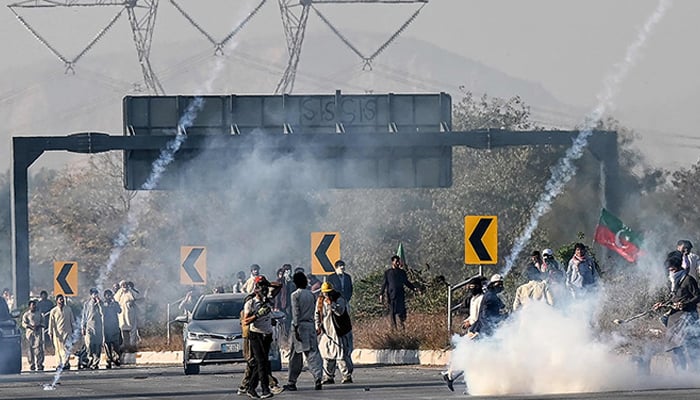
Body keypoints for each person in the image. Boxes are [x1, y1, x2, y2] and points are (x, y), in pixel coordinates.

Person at [653, 254, 700, 371]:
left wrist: (685, 304)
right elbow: (672, 298)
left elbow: (698, 296)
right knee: (674, 347)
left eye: (673, 269)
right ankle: (680, 375)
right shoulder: (672, 281)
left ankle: (695, 375)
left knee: (690, 347)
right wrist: (662, 304)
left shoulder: (688, 280)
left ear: (679, 267)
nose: (671, 271)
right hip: (674, 319)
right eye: (669, 269)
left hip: (687, 316)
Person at [241, 275, 281, 399]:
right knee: (261, 362)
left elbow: (279, 286)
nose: (264, 290)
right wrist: (257, 315)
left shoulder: (267, 299)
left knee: (262, 362)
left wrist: (267, 283)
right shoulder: (251, 302)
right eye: (261, 287)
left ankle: (251, 388)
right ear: (256, 289)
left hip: (267, 334)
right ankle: (265, 389)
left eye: (265, 287)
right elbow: (245, 321)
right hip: (255, 334)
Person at [283, 272, 323, 391]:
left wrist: (295, 329)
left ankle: (291, 381)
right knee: (313, 354)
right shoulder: (310, 294)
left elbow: (295, 313)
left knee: (295, 356)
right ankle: (318, 377)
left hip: (300, 327)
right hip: (310, 326)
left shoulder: (295, 295)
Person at [316, 282, 354, 385]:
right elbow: (317, 314)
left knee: (340, 355)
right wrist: (317, 326)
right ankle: (328, 376)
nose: (326, 295)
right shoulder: (320, 301)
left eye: (328, 293)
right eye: (325, 293)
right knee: (326, 354)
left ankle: (346, 376)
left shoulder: (339, 299)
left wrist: (332, 304)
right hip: (327, 331)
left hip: (338, 331)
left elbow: (340, 312)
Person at [379, 255, 420, 329]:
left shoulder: (402, 272)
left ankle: (402, 326)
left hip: (400, 295)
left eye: (398, 261)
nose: (398, 263)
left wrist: (414, 288)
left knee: (402, 312)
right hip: (391, 296)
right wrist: (381, 294)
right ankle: (394, 329)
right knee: (392, 313)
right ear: (392, 262)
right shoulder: (388, 273)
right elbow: (384, 284)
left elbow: (406, 282)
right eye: (396, 261)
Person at [48, 294, 75, 370]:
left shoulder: (68, 309)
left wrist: (74, 330)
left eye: (62, 299)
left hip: (67, 332)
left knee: (67, 348)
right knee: (58, 349)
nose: (62, 301)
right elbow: (51, 323)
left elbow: (72, 320)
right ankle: (59, 364)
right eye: (60, 299)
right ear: (57, 301)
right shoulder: (53, 311)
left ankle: (66, 363)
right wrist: (50, 332)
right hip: (57, 334)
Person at [115, 279, 142, 353]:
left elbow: (136, 297)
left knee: (133, 330)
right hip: (122, 315)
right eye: (123, 285)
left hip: (130, 313)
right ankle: (126, 346)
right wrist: (121, 291)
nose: (124, 286)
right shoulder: (119, 293)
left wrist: (131, 289)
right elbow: (115, 299)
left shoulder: (131, 292)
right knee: (123, 330)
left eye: (125, 284)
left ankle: (132, 345)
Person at [81, 288, 104, 369]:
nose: (95, 295)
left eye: (96, 293)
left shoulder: (100, 303)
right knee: (89, 344)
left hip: (98, 326)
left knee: (98, 345)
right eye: (93, 294)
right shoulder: (87, 304)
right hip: (89, 325)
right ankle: (90, 358)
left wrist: (99, 303)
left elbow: (103, 313)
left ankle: (95, 363)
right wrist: (82, 327)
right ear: (91, 295)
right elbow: (84, 316)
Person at [21, 300, 45, 371]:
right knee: (30, 349)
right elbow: (23, 323)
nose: (34, 307)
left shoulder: (39, 314)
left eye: (34, 305)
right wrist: (30, 326)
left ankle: (39, 364)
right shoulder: (26, 314)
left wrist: (38, 326)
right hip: (29, 334)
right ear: (29, 306)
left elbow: (43, 322)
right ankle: (32, 364)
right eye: (32, 305)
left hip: (38, 333)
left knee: (38, 349)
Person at [102, 289, 122, 368]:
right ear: (105, 296)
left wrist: (114, 304)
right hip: (106, 327)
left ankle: (117, 358)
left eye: (110, 295)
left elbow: (119, 311)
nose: (109, 297)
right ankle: (108, 360)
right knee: (107, 345)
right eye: (107, 295)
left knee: (116, 345)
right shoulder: (103, 305)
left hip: (114, 327)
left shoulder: (115, 303)